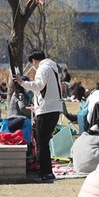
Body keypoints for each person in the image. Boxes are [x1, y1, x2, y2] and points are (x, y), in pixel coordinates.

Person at [14, 50, 63, 184]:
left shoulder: (43, 68)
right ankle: (47, 172)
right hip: (55, 109)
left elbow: (38, 85)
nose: (33, 66)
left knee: (41, 143)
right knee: (44, 142)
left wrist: (22, 83)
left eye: (33, 63)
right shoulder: (53, 68)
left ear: (34, 60)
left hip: (46, 110)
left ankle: (46, 173)